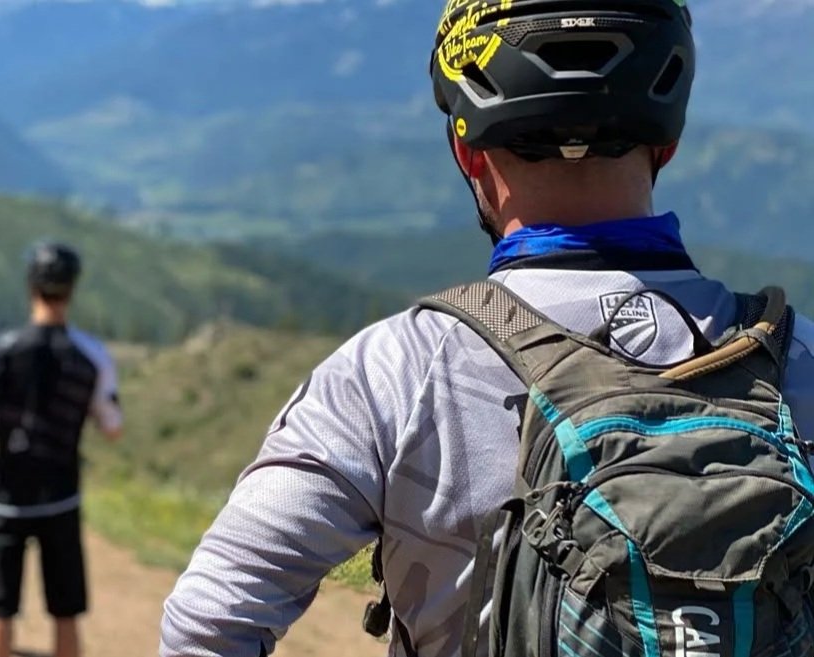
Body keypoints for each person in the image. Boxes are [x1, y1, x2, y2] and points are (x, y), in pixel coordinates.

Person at [159, 2, 814, 656]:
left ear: (466, 153)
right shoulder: (797, 359)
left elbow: (207, 622)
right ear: (666, 140)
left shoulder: (396, 370)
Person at [0, 241, 123, 657]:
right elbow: (113, 427)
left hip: (6, 496)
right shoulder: (92, 355)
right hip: (61, 495)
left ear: (31, 287)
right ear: (72, 290)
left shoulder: (1, 349)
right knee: (65, 612)